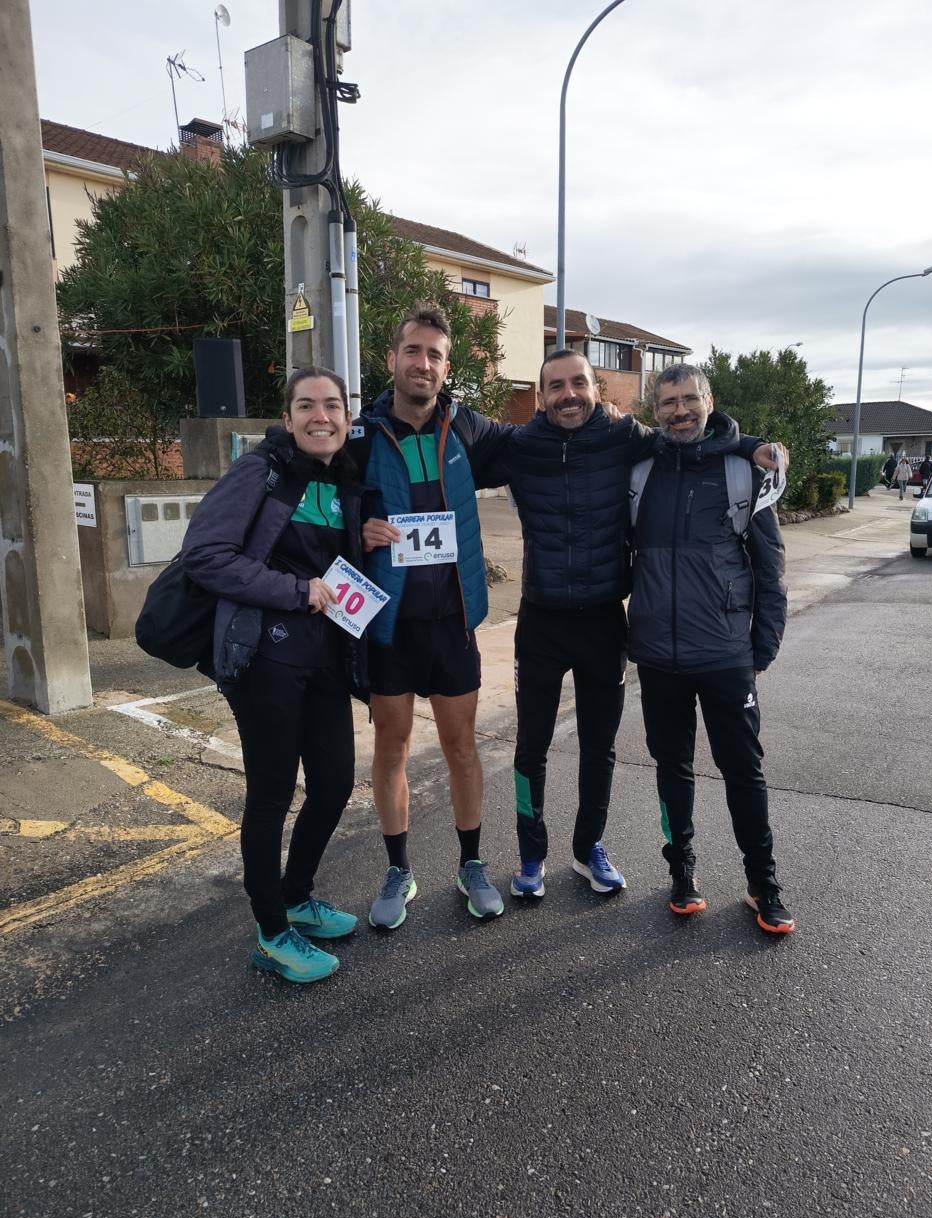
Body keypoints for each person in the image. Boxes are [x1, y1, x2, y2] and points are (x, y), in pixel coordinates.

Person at [479, 351, 782, 902]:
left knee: (600, 747)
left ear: (597, 390)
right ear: (541, 395)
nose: (568, 394)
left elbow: (693, 438)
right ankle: (531, 853)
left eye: (578, 383)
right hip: (540, 622)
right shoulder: (518, 447)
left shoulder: (626, 439)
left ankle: (588, 847)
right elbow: (451, 462)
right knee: (531, 746)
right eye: (555, 386)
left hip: (603, 622)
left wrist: (746, 445)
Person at [181, 367, 368, 982]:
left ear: (347, 415)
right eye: (307, 406)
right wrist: (295, 590)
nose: (322, 416)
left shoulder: (341, 479)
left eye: (333, 406)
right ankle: (271, 932)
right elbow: (207, 556)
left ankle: (296, 894)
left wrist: (362, 537)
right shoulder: (260, 470)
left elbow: (330, 561)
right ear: (287, 419)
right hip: (265, 658)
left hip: (325, 658)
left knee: (336, 782)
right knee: (271, 795)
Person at [352, 306, 511, 928]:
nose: (423, 364)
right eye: (413, 351)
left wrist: (606, 412)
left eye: (435, 355)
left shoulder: (466, 427)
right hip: (387, 626)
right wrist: (355, 529)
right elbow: (317, 495)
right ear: (392, 359)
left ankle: (471, 864)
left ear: (447, 368)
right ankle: (398, 869)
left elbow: (552, 433)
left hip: (451, 622)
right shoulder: (359, 435)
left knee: (461, 748)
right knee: (391, 746)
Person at [627, 363, 793, 934]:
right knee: (672, 768)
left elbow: (770, 569)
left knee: (744, 770)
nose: (680, 411)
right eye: (668, 402)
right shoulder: (641, 470)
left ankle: (762, 880)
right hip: (657, 654)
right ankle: (683, 872)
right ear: (655, 411)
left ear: (708, 399)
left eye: (689, 399)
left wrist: (761, 650)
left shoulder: (744, 471)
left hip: (725, 654)